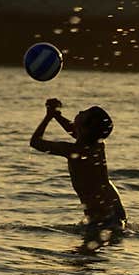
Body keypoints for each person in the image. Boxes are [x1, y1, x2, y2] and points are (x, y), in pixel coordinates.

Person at [30, 98, 126, 247]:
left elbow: (36, 142)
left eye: (84, 113)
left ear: (86, 127)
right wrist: (56, 115)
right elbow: (77, 132)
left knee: (83, 262)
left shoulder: (74, 150)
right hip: (115, 211)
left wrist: (48, 117)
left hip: (103, 219)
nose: (80, 112)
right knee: (87, 259)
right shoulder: (97, 145)